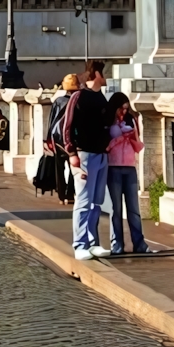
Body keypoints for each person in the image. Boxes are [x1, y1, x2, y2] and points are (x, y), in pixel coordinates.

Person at [63, 60, 112, 260]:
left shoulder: (101, 98)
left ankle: (93, 243)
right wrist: (71, 153)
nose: (108, 76)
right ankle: (79, 244)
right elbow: (67, 126)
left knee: (96, 203)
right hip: (83, 155)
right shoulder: (79, 97)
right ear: (97, 74)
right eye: (105, 72)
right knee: (83, 201)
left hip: (101, 155)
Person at [105, 92, 151, 255]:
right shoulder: (108, 121)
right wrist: (118, 139)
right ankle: (117, 244)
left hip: (130, 167)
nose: (123, 112)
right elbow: (105, 147)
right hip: (113, 167)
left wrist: (131, 138)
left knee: (134, 209)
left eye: (126, 109)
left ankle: (139, 243)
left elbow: (139, 147)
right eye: (121, 109)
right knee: (116, 209)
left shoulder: (131, 120)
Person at [44, 74, 79, 205]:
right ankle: (70, 194)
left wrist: (48, 139)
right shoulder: (78, 101)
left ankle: (61, 194)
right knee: (73, 168)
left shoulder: (58, 101)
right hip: (73, 139)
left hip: (58, 139)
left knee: (59, 168)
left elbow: (51, 121)